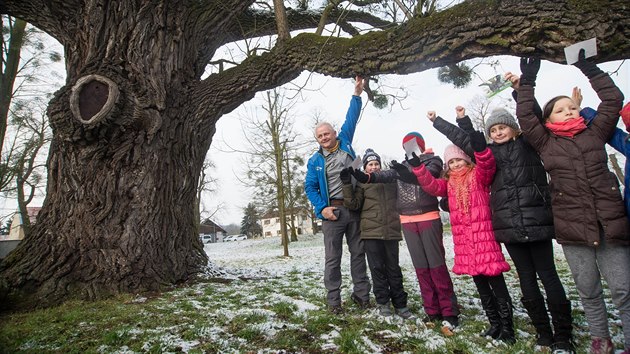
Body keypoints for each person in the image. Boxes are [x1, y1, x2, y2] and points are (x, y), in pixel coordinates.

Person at [430, 106, 574, 352]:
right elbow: (465, 141)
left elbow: (532, 119)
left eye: (502, 127)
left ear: (514, 129)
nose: (497, 133)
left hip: (535, 220)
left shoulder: (528, 145)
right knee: (526, 279)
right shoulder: (489, 155)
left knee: (549, 276)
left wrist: (521, 92)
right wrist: (445, 121)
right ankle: (542, 332)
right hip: (508, 226)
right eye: (493, 130)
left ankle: (563, 334)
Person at [516, 53, 630, 354]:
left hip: (609, 222)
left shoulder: (596, 133)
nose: (568, 112)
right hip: (573, 227)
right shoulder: (546, 143)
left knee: (623, 290)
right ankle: (600, 339)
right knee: (589, 289)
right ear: (549, 119)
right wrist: (528, 81)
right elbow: (527, 117)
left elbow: (612, 100)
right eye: (560, 110)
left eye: (572, 107)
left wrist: (586, 65)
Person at [408, 131, 515, 344]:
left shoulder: (478, 176)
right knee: (480, 284)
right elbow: (431, 185)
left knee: (496, 282)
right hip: (466, 241)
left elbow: (486, 166)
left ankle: (507, 327)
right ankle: (494, 323)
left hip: (485, 239)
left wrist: (480, 150)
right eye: (452, 162)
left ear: (466, 160)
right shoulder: (449, 184)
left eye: (458, 160)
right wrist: (418, 168)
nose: (456, 165)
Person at [349, 133, 459, 330]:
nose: (410, 148)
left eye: (415, 145)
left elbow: (428, 178)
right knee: (421, 267)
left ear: (421, 145)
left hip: (427, 216)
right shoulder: (401, 164)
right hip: (408, 221)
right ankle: (431, 309)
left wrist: (411, 168)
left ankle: (449, 310)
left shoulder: (432, 160)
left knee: (436, 265)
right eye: (407, 145)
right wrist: (365, 176)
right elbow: (384, 175)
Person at [304, 76, 371, 315]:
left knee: (358, 254)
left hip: (353, 208)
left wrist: (356, 94)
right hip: (332, 213)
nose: (324, 137)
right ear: (317, 140)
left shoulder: (346, 143)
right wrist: (322, 208)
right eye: (320, 136)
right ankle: (334, 302)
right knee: (333, 260)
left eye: (327, 133)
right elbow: (310, 188)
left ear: (334, 133)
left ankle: (362, 296)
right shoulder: (314, 161)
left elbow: (351, 118)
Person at [340, 149, 412, 319]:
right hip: (371, 233)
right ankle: (383, 303)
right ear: (365, 167)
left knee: (394, 269)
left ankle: (400, 304)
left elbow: (403, 196)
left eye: (376, 164)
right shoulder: (363, 184)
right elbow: (353, 205)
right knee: (377, 269)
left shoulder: (390, 181)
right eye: (370, 164)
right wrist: (347, 185)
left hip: (391, 231)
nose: (374, 167)